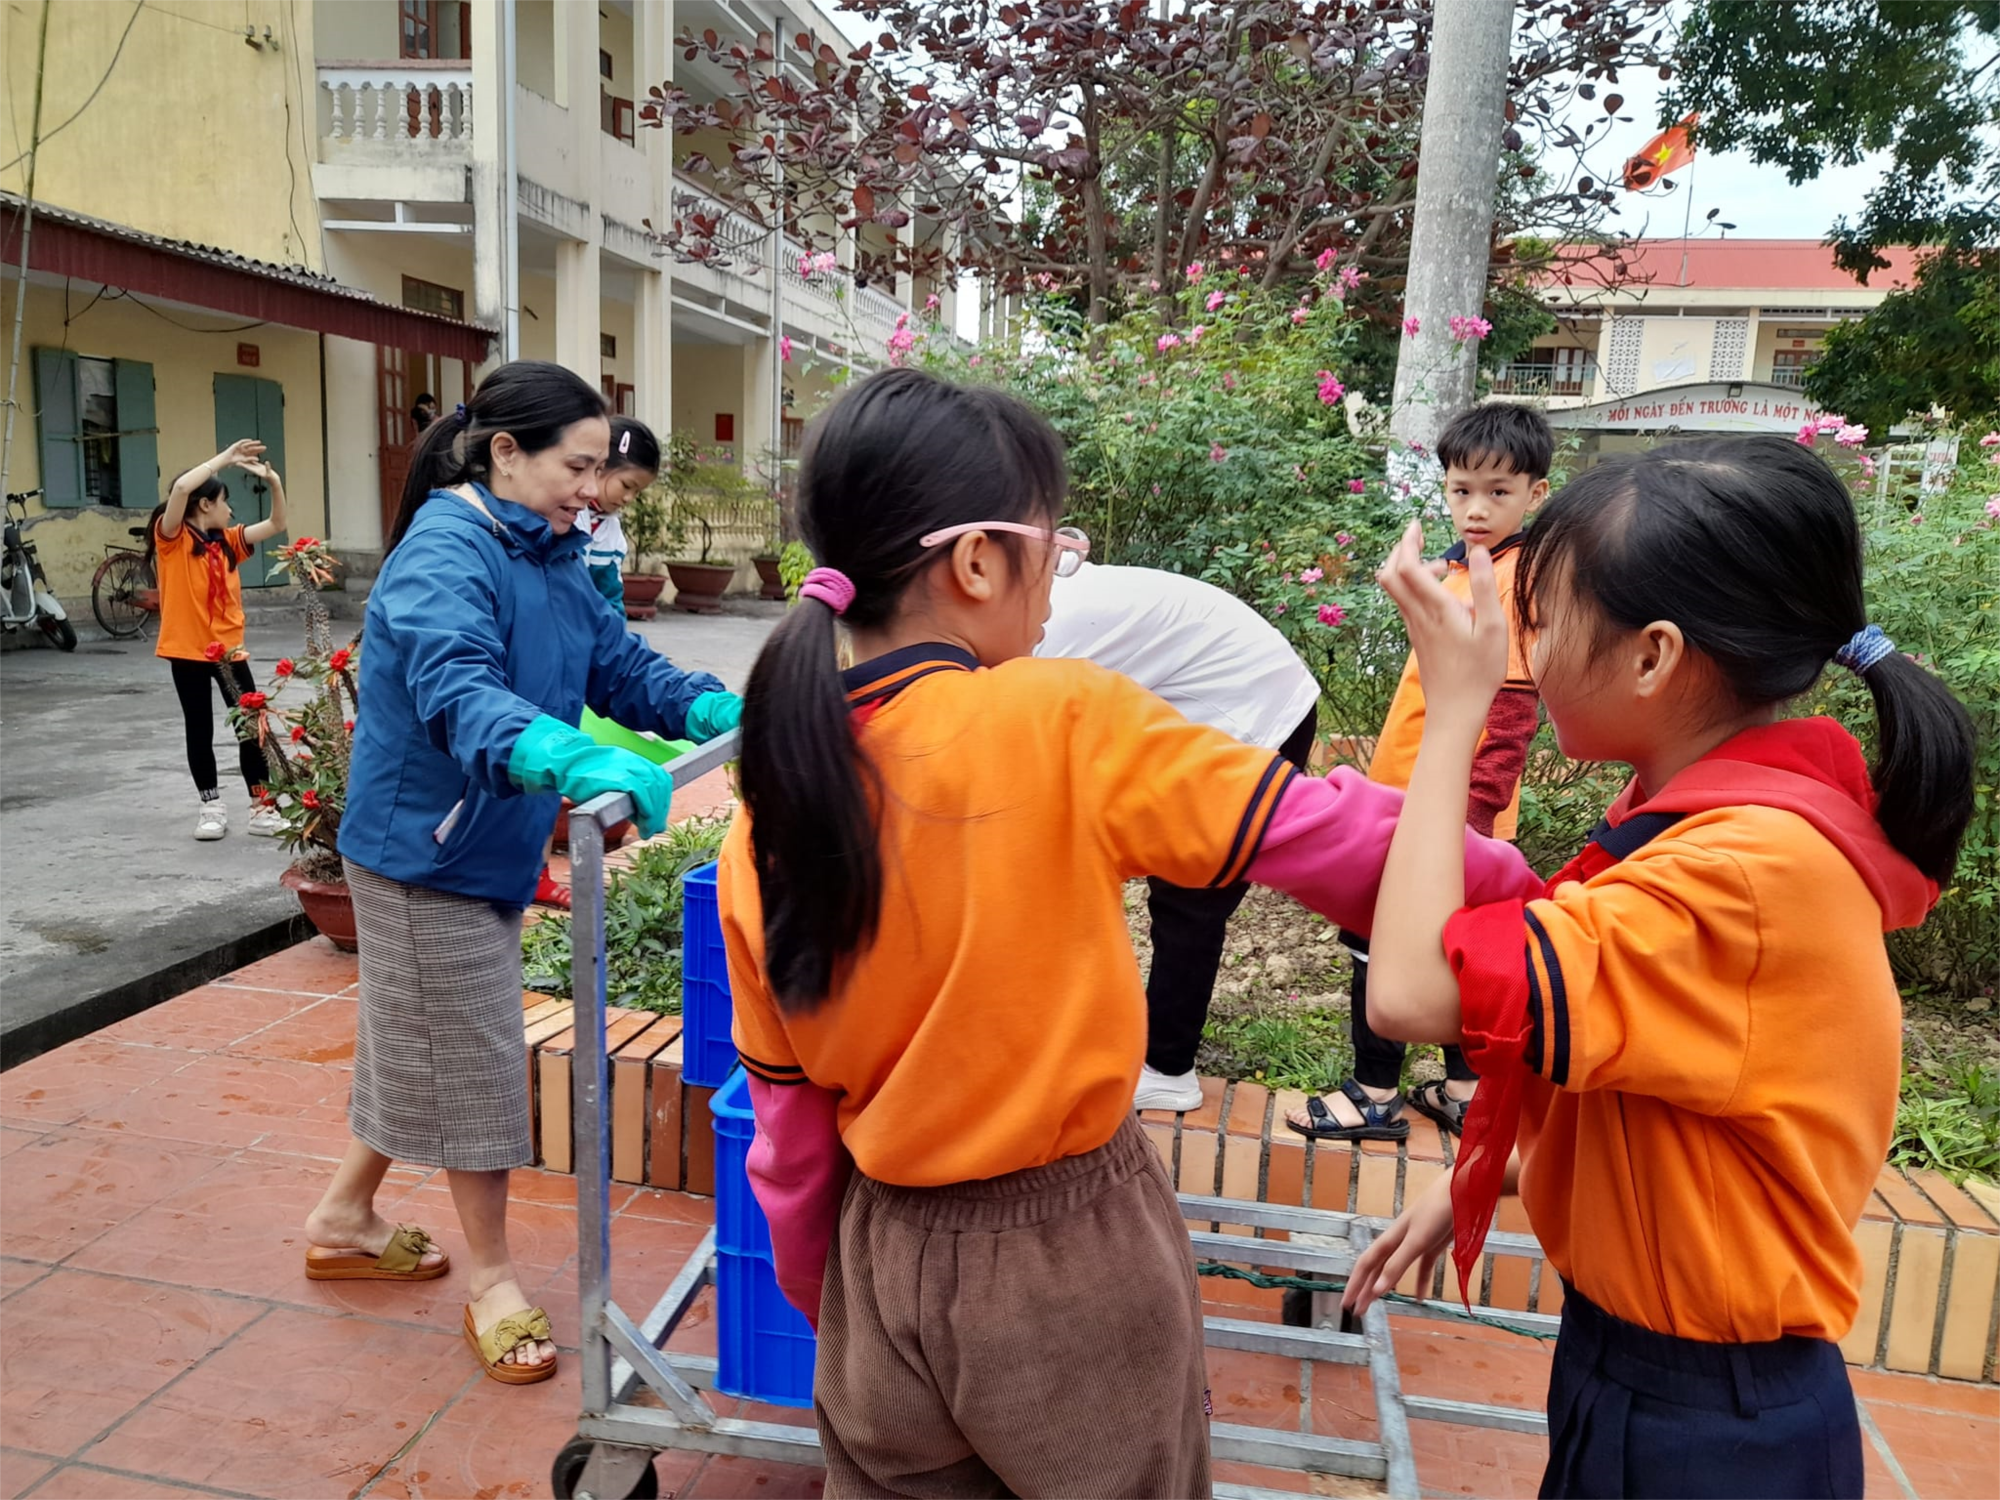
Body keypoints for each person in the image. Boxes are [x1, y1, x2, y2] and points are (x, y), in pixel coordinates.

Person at [716, 367, 1536, 1495]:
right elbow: (1343, 843)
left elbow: (788, 1133)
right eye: (1053, 548)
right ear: (976, 561)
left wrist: (840, 1305)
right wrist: (1532, 894)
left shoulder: (765, 813)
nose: (1060, 582)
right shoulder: (1058, 716)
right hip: (1068, 1260)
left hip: (879, 1263)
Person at [1345, 436, 1975, 1499]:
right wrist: (1490, 1173)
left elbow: (1408, 993)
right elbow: (1686, 1106)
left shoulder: (1738, 872)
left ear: (1652, 658)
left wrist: (1454, 711)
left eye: (1543, 621)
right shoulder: (1709, 823)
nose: (1529, 651)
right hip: (1653, 1376)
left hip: (1707, 1426)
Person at [303, 360, 745, 1387]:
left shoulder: (547, 547)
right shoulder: (446, 550)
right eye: (575, 468)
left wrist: (709, 707)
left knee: (419, 1037)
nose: (592, 491)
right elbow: (458, 690)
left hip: (479, 842)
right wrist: (565, 755)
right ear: (505, 452)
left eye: (599, 471)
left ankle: (343, 1217)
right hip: (425, 852)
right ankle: (494, 1280)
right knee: (477, 1063)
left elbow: (616, 665)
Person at [1289, 402, 1551, 1144]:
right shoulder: (1469, 569)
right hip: (1416, 803)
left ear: (1536, 493)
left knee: (1382, 943)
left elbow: (1511, 716)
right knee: (1459, 948)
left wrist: (1465, 827)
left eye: (1499, 492)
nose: (1476, 509)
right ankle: (1464, 1091)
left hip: (1444, 818)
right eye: (1462, 489)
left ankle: (1374, 1093)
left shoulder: (1513, 582)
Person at [1037, 561, 1320, 1112]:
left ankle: (1167, 1068)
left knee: (1190, 895)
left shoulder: (1044, 629)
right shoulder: (1027, 604)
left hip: (1256, 710)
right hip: (1218, 700)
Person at [532, 415, 667, 910]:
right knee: (533, 764)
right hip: (542, 658)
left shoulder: (607, 531)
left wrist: (614, 656)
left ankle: (537, 872)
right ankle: (522, 868)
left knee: (550, 775)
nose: (626, 499)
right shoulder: (556, 517)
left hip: (578, 665)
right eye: (626, 486)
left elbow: (608, 603)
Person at [148, 439, 290, 841]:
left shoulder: (228, 541)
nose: (230, 511)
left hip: (230, 653)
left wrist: (275, 483)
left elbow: (277, 524)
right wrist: (225, 459)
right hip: (186, 651)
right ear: (205, 504)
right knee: (200, 729)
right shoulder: (172, 538)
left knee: (250, 727)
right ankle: (210, 807)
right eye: (225, 501)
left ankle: (262, 807)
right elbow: (180, 488)